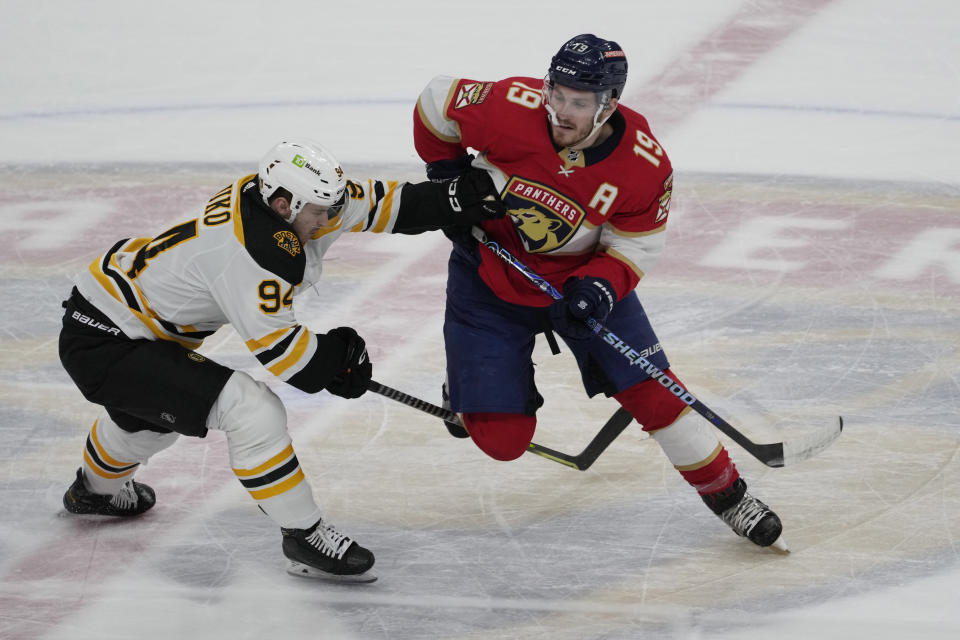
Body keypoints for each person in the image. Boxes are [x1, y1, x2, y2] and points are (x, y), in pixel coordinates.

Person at [58, 138, 505, 582]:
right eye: (319, 213)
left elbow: (377, 203)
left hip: (124, 316)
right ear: (282, 203)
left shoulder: (291, 203)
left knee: (150, 419)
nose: (328, 220)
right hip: (103, 340)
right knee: (251, 410)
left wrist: (452, 200)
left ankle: (93, 493)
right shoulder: (250, 252)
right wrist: (338, 359)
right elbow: (287, 357)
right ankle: (304, 536)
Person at [413, 34, 787, 551]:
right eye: (557, 93)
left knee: (654, 389)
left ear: (609, 103)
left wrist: (600, 290)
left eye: (579, 102)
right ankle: (468, 388)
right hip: (489, 278)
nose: (561, 111)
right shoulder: (511, 105)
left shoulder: (644, 164)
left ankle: (730, 496)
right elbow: (436, 101)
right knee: (502, 443)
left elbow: (636, 247)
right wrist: (448, 176)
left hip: (580, 280)